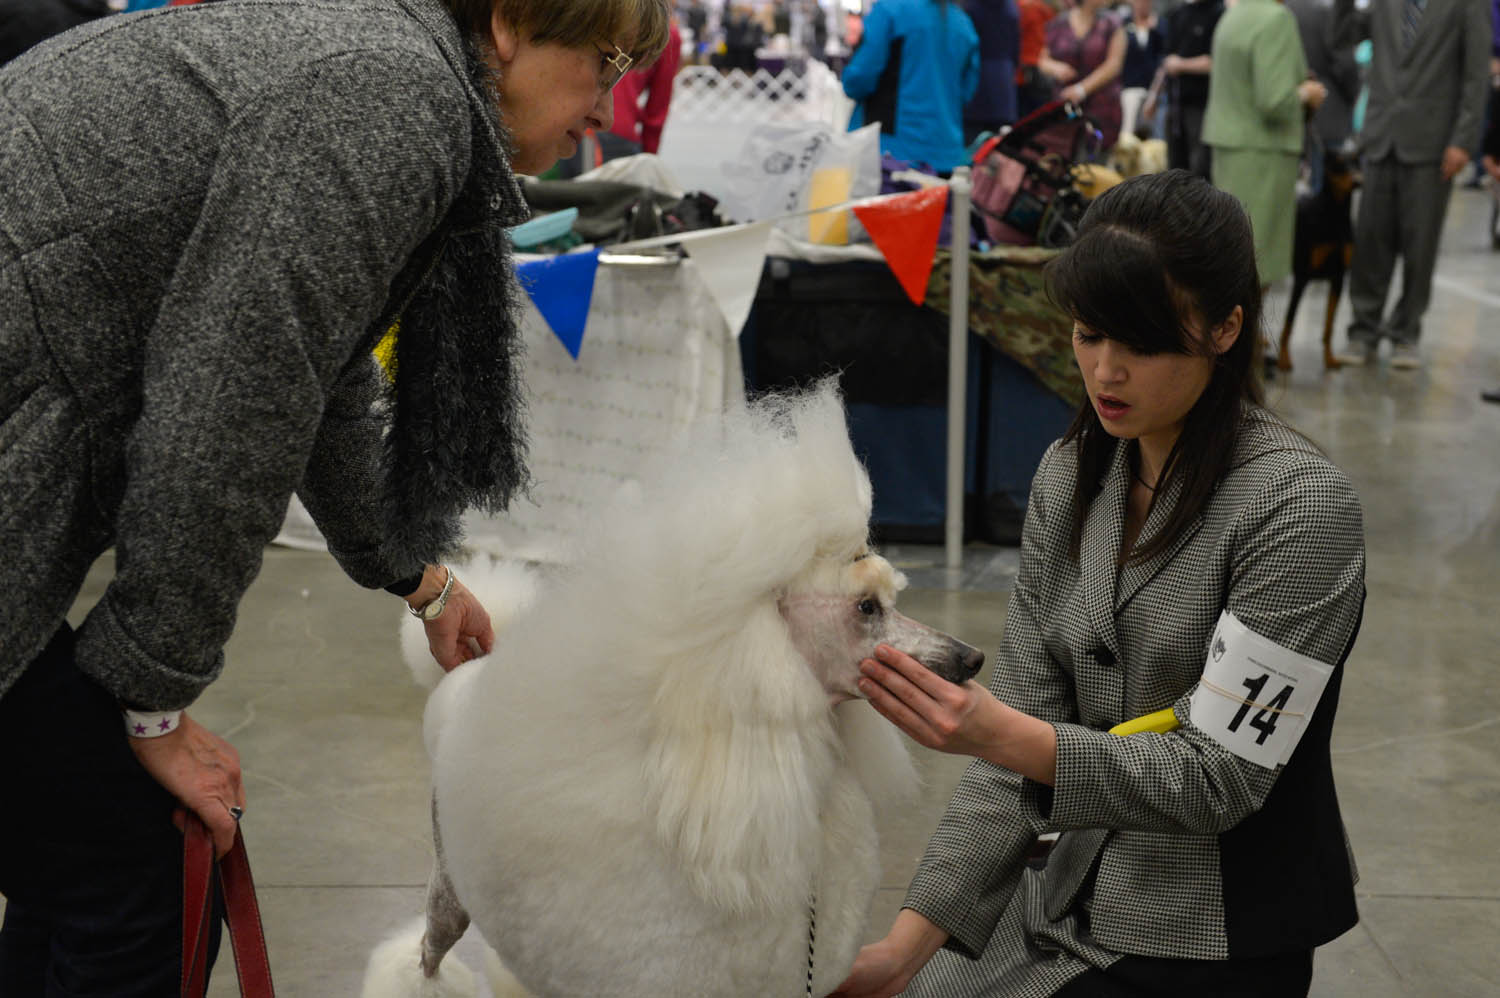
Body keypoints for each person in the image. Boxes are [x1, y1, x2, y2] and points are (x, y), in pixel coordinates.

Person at [0, 0, 669, 991]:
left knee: (87, 852)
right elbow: (234, 397)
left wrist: (417, 576)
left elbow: (317, 371)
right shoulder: (391, 96)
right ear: (512, 25)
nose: (605, 110)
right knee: (134, 868)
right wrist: (150, 702)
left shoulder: (388, 66)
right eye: (605, 62)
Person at [832, 170, 1366, 998]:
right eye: (1087, 334)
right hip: (1069, 890)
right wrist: (904, 950)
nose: (1105, 371)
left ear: (1227, 328)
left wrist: (1001, 734)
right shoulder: (1070, 473)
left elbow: (1219, 775)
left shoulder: (1298, 508)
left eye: (1142, 344)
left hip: (1215, 930)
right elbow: (1026, 713)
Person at [1331, 0, 1492, 370]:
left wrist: (1463, 140)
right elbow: (1345, 35)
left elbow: (1475, 74)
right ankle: (1363, 331)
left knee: (1420, 246)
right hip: (1382, 136)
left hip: (1433, 143)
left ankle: (1406, 333)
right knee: (1371, 240)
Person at [1203, 0, 1327, 290]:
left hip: (1229, 148)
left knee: (1230, 258)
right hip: (1263, 153)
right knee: (1256, 267)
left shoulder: (1233, 16)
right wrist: (1307, 93)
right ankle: (1244, 335)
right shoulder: (1276, 19)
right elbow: (1275, 101)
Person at [842, 0, 980, 173]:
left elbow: (858, 80)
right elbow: (967, 91)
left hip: (889, 154)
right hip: (946, 155)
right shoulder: (963, 24)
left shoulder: (890, 10)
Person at [1038, 0, 1126, 151]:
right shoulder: (1058, 23)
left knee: (1098, 165)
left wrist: (1081, 89)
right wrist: (1055, 68)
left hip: (1102, 108)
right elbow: (1042, 59)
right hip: (1065, 109)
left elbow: (1114, 64)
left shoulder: (1112, 23)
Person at [1153, 0, 1223, 177]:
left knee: (1200, 167)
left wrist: (1182, 65)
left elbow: (1216, 62)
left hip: (1202, 105)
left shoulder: (1218, 12)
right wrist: (1153, 95)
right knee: (1175, 167)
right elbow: (1168, 60)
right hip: (1175, 104)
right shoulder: (1178, 13)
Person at [610, 19, 682, 155]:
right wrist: (648, 154)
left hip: (571, 126)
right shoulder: (665, 33)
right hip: (618, 132)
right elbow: (658, 105)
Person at [962, 0, 1021, 144]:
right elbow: (1015, 51)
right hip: (1004, 85)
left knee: (971, 151)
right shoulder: (1011, 8)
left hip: (976, 84)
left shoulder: (970, 8)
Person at [1119, 0, 1164, 138]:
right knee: (1127, 133)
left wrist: (1154, 94)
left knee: (1155, 136)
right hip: (1128, 88)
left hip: (1154, 88)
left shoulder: (1161, 25)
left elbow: (1163, 60)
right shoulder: (1123, 24)